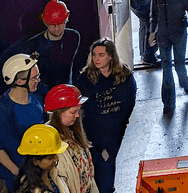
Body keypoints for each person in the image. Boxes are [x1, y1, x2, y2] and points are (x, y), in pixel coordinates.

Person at [75, 39, 136, 193]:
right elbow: (82, 107)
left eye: (101, 55)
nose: (96, 59)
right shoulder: (85, 77)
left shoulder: (124, 75)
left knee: (109, 162)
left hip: (115, 130)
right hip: (93, 133)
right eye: (94, 55)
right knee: (100, 165)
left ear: (110, 56)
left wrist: (121, 123)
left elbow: (129, 102)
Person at [1, 0, 83, 91]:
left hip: (66, 91)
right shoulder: (33, 45)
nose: (57, 29)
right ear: (45, 22)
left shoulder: (73, 37)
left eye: (60, 24)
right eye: (52, 25)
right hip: (42, 95)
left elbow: (73, 66)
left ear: (66, 19)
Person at [0, 54, 45, 193]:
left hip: (37, 169)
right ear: (19, 81)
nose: (38, 80)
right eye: (34, 78)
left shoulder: (35, 97)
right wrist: (19, 174)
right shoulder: (4, 108)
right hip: (17, 176)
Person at [45, 85, 98, 193]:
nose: (77, 115)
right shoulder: (49, 143)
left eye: (78, 111)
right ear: (58, 113)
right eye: (73, 112)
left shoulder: (72, 132)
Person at [11, 124, 70, 193]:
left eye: (55, 155)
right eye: (50, 158)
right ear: (35, 161)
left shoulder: (53, 177)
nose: (56, 159)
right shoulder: (28, 190)